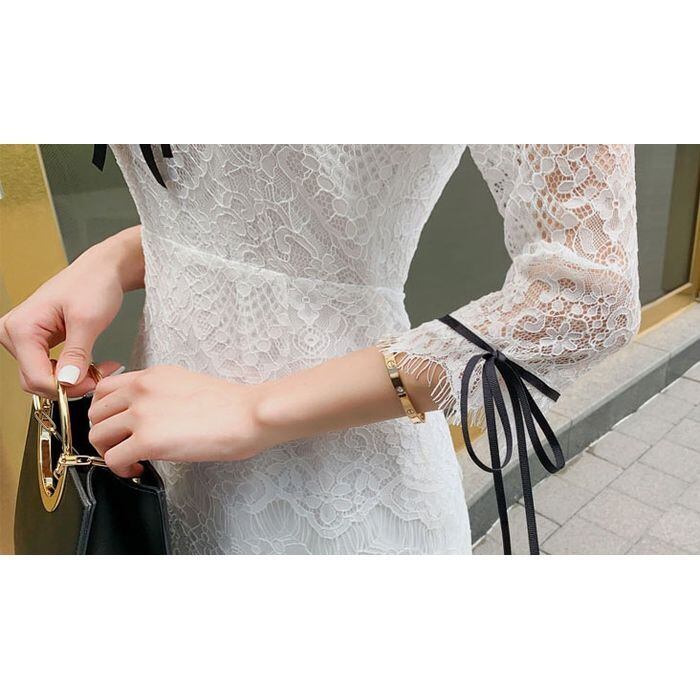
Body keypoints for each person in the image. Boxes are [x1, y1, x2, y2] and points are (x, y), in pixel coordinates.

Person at [0, 145, 641, 554]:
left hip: (329, 498)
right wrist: (118, 256)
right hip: (158, 468)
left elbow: (588, 300)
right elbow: (245, 207)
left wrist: (256, 410)